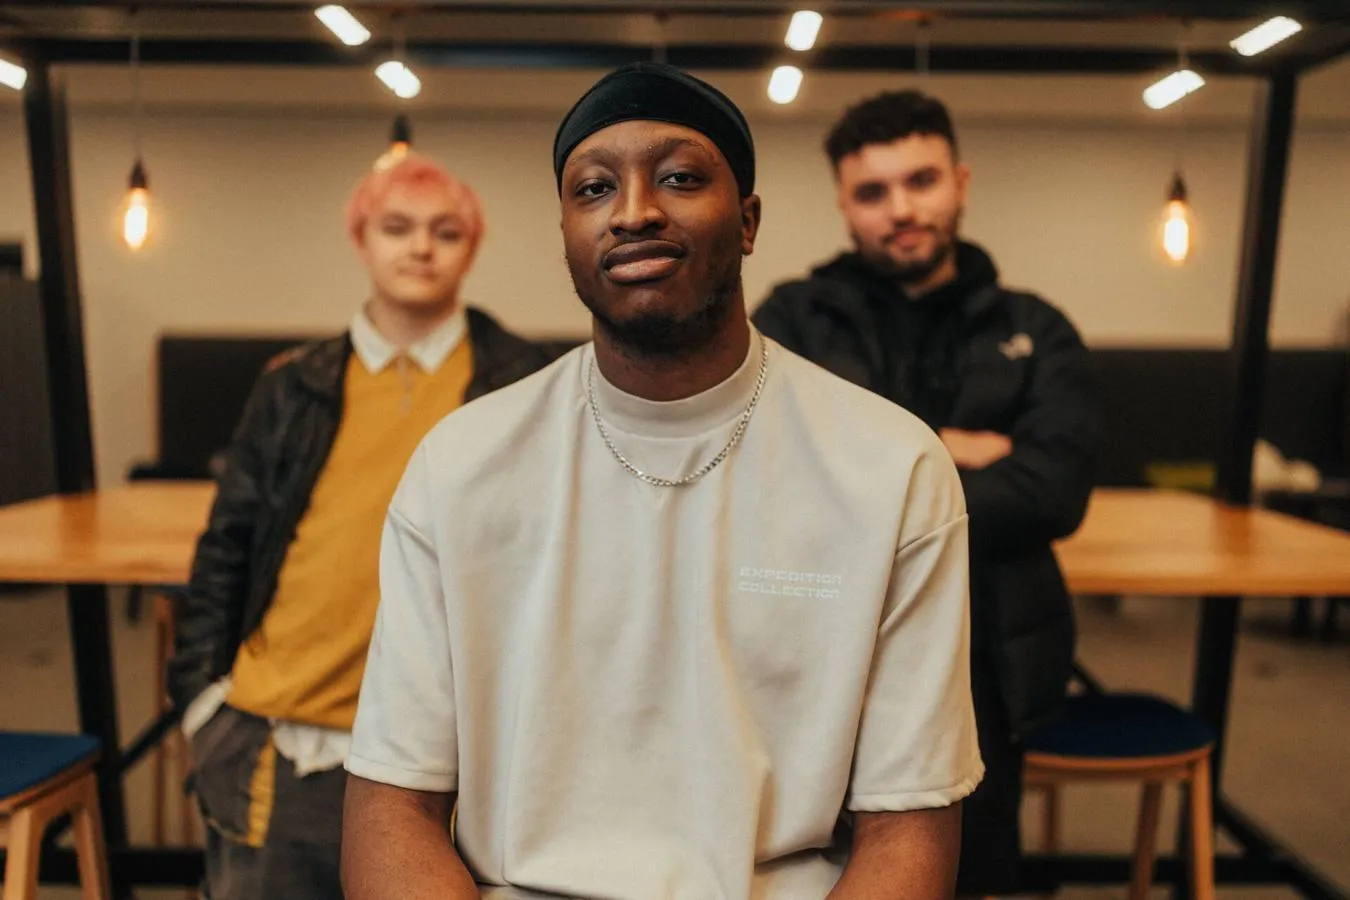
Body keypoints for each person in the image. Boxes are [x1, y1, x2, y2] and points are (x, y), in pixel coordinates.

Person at [342, 63, 983, 900]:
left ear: (748, 221)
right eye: (594, 188)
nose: (636, 211)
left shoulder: (891, 467)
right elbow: (394, 804)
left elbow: (910, 829)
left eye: (680, 178)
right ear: (567, 232)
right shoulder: (461, 464)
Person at [167, 153, 554, 900]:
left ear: (471, 248)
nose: (420, 248)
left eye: (445, 232)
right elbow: (226, 549)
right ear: (360, 240)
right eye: (397, 228)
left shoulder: (524, 380)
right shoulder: (292, 384)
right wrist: (202, 706)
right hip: (282, 736)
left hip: (451, 757)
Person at [754, 89, 1102, 897]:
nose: (900, 208)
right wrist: (955, 453)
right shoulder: (788, 323)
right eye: (873, 192)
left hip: (990, 659)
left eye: (921, 181)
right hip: (812, 649)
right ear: (844, 203)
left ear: (961, 181)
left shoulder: (1036, 329)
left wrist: (874, 475)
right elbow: (774, 479)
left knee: (968, 873)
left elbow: (1055, 490)